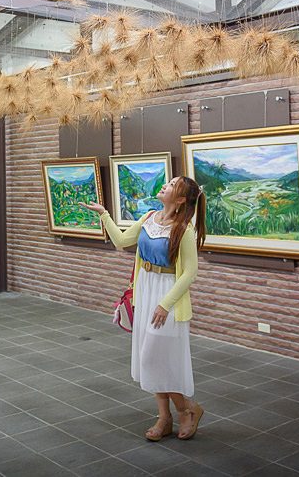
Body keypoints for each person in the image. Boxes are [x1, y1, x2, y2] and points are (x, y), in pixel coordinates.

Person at [80, 175, 207, 441]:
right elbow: (122, 241)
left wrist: (165, 304)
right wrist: (104, 215)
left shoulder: (184, 229)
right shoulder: (149, 218)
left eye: (171, 185)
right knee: (150, 359)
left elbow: (190, 273)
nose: (165, 186)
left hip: (167, 296)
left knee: (158, 356)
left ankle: (188, 409)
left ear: (181, 199)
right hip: (146, 290)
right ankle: (165, 417)